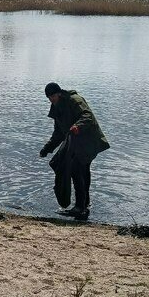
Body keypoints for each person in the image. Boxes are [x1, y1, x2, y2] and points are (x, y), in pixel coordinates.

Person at [39, 82, 109, 220]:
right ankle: (84, 204)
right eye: (49, 97)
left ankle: (80, 207)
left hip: (89, 141)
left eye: (53, 96)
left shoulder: (75, 100)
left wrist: (77, 126)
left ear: (59, 93)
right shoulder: (56, 107)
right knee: (82, 170)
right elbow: (58, 133)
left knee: (76, 169)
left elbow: (87, 115)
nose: (51, 99)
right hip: (76, 143)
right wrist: (47, 149)